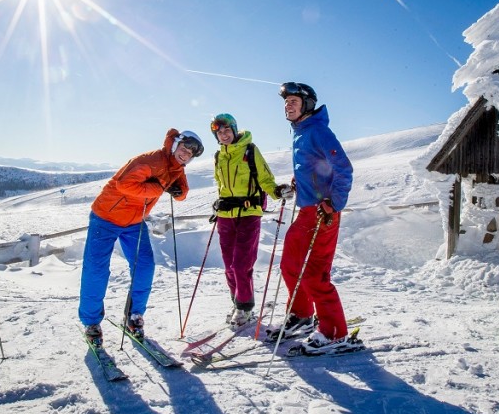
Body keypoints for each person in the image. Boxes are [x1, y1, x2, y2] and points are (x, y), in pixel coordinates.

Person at [78, 129, 203, 345]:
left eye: (190, 153)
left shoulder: (177, 168)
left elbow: (182, 193)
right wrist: (159, 188)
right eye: (184, 148)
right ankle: (91, 323)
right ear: (175, 145)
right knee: (96, 269)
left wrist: (177, 192)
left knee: (145, 266)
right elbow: (124, 184)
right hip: (105, 216)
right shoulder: (150, 160)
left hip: (134, 222)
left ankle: (134, 316)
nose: (186, 154)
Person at [274, 82, 356, 351]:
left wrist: (334, 202)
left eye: (294, 101)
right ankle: (301, 315)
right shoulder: (300, 132)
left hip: (324, 213)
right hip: (306, 211)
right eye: (286, 102)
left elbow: (343, 168)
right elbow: (315, 166)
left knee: (314, 273)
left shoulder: (318, 130)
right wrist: (299, 182)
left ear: (307, 104)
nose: (289, 105)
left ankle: (334, 332)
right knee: (290, 265)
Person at [208, 112, 289, 327]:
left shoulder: (250, 150)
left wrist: (277, 192)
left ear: (234, 130)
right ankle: (237, 302)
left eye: (227, 130)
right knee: (228, 265)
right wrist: (218, 203)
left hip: (249, 213)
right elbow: (221, 185)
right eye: (219, 132)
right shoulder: (218, 156)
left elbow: (265, 178)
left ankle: (245, 308)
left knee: (241, 264)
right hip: (225, 216)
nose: (224, 135)